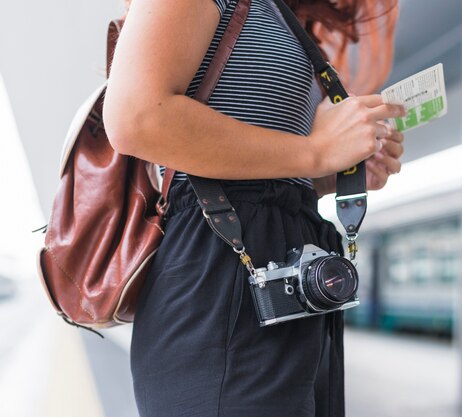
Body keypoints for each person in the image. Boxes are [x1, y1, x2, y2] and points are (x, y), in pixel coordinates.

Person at [103, 0, 404, 415]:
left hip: (286, 281)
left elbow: (270, 172)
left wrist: (334, 170)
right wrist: (315, 150)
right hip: (220, 272)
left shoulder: (286, 16)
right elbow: (137, 117)